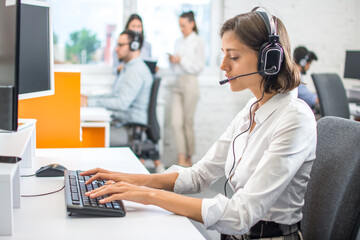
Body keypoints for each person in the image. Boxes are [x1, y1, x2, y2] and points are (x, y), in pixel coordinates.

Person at [81, 7, 316, 239]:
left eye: (233, 56)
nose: (223, 65)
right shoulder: (252, 110)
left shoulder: (295, 119)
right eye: (223, 54)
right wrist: (128, 179)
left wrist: (147, 196)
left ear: (269, 60)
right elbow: (199, 175)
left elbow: (242, 214)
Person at [81, 29, 152, 146]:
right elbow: (114, 95)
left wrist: (89, 103)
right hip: (123, 124)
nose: (116, 49)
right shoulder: (128, 68)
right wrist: (88, 99)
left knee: (86, 137)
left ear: (134, 46)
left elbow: (121, 103)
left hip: (130, 130)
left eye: (120, 45)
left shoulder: (136, 71)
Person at [169, 11, 205, 167]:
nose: (181, 29)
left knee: (187, 122)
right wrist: (173, 61)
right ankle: (181, 158)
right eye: (179, 26)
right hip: (177, 82)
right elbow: (174, 68)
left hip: (190, 82)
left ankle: (189, 158)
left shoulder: (198, 42)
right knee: (176, 122)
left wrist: (181, 60)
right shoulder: (178, 41)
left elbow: (198, 67)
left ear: (192, 24)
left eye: (184, 25)